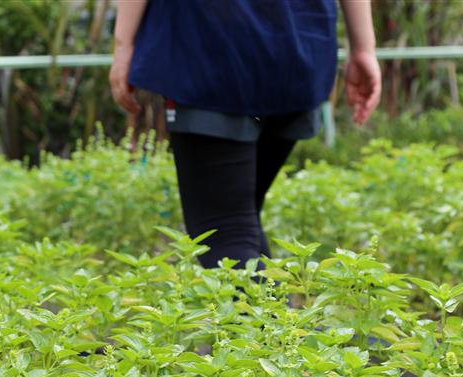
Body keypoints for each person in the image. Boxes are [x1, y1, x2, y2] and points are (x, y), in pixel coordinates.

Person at [110, 0, 381, 268]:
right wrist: (363, 48)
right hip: (298, 47)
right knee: (239, 223)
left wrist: (123, 44)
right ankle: (280, 311)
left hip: (211, 47)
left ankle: (279, 314)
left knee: (225, 235)